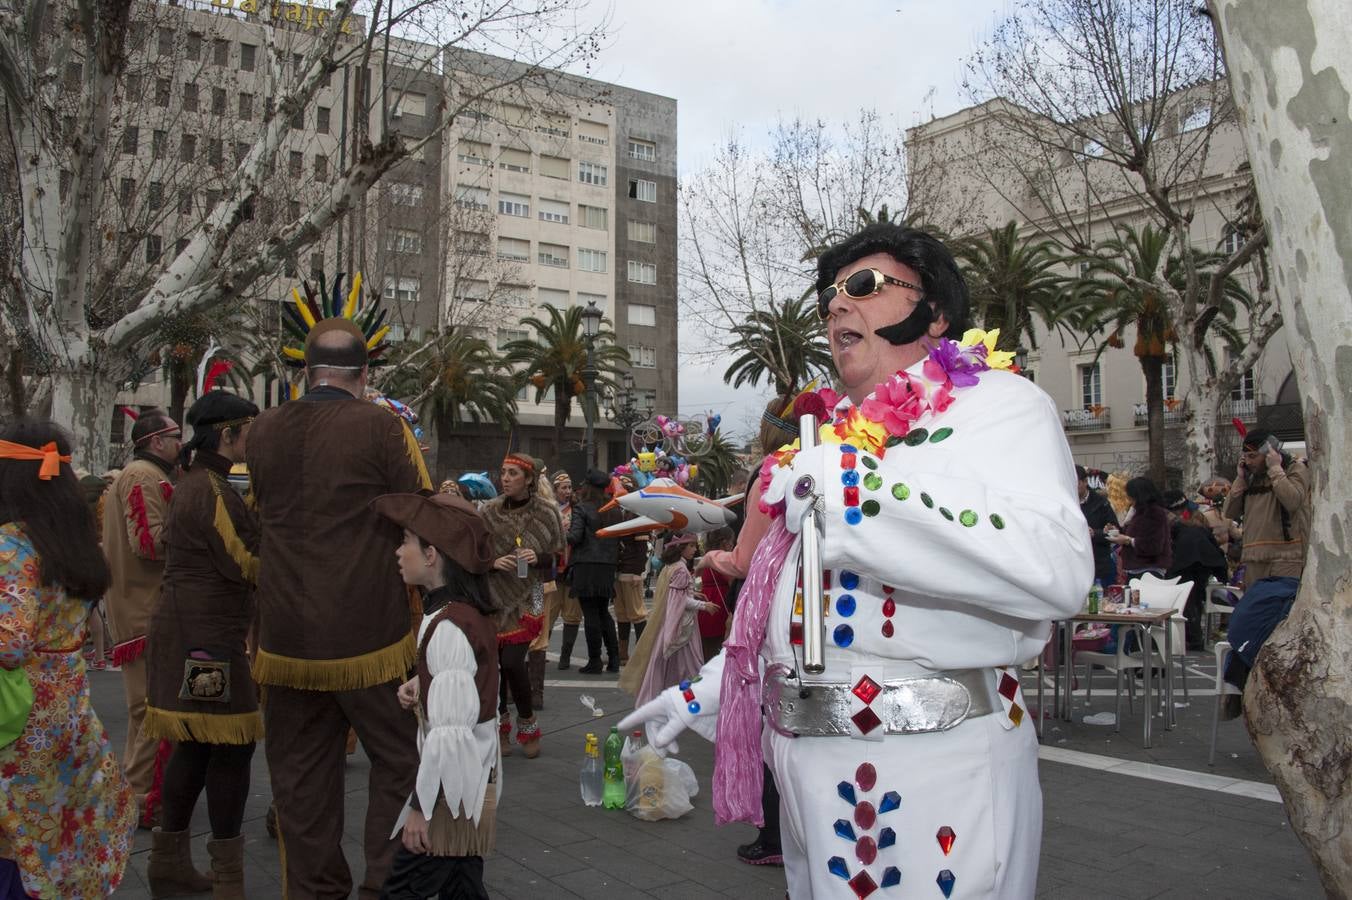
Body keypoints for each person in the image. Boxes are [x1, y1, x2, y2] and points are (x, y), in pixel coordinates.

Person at [621, 223, 1092, 897]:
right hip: (807, 774)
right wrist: (712, 689)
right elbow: (792, 608)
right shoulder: (830, 437)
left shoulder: (999, 407)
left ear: (934, 313)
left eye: (864, 287)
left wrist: (858, 492)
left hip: (935, 771)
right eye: (831, 296)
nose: (838, 306)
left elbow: (1060, 567)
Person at [246, 316, 432, 898]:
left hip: (282, 639)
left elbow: (259, 517)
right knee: (400, 762)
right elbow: (420, 511)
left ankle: (315, 891)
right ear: (365, 372)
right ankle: (385, 886)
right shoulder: (382, 427)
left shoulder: (261, 430)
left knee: (299, 778)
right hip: (369, 635)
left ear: (304, 372)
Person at [0, 420, 137, 897]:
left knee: (16, 830)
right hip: (68, 706)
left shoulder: (12, 544)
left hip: (16, 718)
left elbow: (8, 644)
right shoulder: (72, 543)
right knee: (52, 824)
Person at [141, 391, 260, 899]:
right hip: (205, 642)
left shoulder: (200, 482)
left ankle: (168, 863)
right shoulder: (208, 488)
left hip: (194, 633)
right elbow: (248, 563)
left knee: (195, 745)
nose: (254, 439)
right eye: (249, 429)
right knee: (232, 745)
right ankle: (227, 877)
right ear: (228, 433)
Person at [370, 490, 500, 900]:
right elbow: (464, 691)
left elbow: (450, 736)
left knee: (401, 891)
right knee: (463, 890)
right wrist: (425, 685)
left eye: (406, 541)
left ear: (432, 555)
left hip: (453, 794)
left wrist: (421, 810)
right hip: (467, 786)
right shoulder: (453, 614)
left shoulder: (448, 625)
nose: (398, 552)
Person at [695, 393, 800, 869]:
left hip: (768, 619)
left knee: (767, 727)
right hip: (813, 615)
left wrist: (710, 558)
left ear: (767, 429)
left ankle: (773, 833)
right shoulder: (829, 462)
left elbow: (743, 559)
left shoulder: (773, 472)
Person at [101, 407, 182, 826]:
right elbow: (148, 544)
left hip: (144, 607)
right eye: (175, 437)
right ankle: (141, 797)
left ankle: (135, 791)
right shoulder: (143, 476)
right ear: (155, 442)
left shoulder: (147, 475)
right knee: (151, 709)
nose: (180, 444)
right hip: (145, 609)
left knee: (145, 709)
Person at [479, 453, 562, 759]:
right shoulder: (487, 512)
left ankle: (527, 724)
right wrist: (491, 562)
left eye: (513, 473)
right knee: (496, 667)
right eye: (503, 473)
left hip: (532, 594)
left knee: (513, 662)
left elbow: (560, 560)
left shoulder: (546, 513)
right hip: (493, 595)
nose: (505, 478)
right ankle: (500, 728)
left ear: (529, 480)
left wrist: (537, 558)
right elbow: (473, 554)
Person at [619, 534, 716, 707]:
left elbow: (675, 595)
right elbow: (678, 600)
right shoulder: (680, 569)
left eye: (695, 546)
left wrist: (692, 593)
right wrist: (703, 605)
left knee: (673, 665)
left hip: (674, 621)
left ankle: (673, 700)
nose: (695, 550)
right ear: (682, 547)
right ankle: (688, 702)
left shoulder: (672, 566)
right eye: (692, 546)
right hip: (681, 624)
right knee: (690, 664)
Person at [1223, 430, 1310, 589]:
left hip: (1285, 558)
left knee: (1280, 610)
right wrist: (1240, 478)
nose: (1248, 462)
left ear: (1270, 453)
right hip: (1253, 558)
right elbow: (1229, 512)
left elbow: (1293, 501)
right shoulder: (1250, 477)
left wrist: (1275, 469)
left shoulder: (1294, 468)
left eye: (1253, 456)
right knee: (1256, 611)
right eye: (1246, 456)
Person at [566, 470, 623, 674]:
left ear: (588, 486)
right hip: (607, 566)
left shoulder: (582, 507)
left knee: (590, 612)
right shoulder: (614, 509)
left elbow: (574, 537)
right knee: (603, 612)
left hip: (586, 565)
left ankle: (595, 660)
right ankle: (614, 659)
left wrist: (563, 531)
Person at [1161, 490, 1228, 651]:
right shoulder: (1193, 525)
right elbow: (1214, 547)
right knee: (1194, 599)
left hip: (1188, 563)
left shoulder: (1176, 525)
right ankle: (1193, 637)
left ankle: (1193, 638)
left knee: (1188, 600)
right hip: (1202, 562)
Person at [538, 471, 583, 671]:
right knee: (548, 612)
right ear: (554, 490)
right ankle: (540, 651)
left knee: (572, 614)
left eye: (569, 487)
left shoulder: (577, 510)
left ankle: (565, 656)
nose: (567, 491)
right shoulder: (548, 510)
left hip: (572, 568)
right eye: (563, 487)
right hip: (553, 569)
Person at [612, 476, 650, 665]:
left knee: (637, 613)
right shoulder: (619, 512)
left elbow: (642, 547)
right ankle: (623, 653)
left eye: (625, 490)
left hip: (631, 570)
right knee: (621, 613)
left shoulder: (637, 514)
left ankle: (642, 655)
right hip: (619, 570)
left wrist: (638, 571)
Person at [1106, 476, 1171, 579]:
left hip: (1149, 569)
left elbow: (1154, 545)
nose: (1128, 499)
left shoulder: (1154, 513)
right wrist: (1115, 530)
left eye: (1130, 496)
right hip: (1135, 567)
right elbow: (1133, 532)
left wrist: (1128, 541)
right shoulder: (1138, 512)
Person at [1076, 465, 1120, 587]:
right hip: (1074, 565)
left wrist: (1095, 533)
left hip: (1098, 563)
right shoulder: (1066, 502)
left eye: (1076, 483)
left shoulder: (1101, 503)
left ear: (1085, 482)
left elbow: (1115, 532)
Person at [696, 527, 735, 661]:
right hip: (720, 605)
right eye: (731, 542)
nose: (732, 545)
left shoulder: (707, 556)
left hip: (705, 603)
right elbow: (732, 582)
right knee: (718, 647)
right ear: (724, 542)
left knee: (706, 647)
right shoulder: (722, 558)